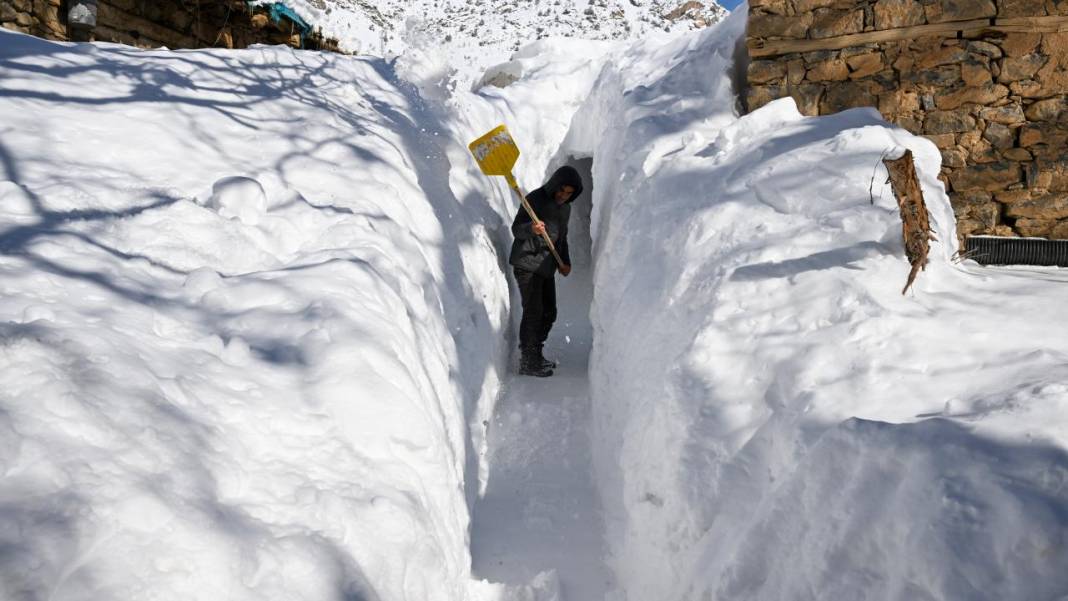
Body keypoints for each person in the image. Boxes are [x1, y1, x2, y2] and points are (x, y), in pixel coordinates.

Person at [509, 165, 583, 377]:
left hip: (546, 266)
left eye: (569, 193)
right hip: (526, 263)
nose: (563, 195)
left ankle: (536, 354)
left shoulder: (565, 208)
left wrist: (565, 262)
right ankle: (528, 361)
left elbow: (562, 238)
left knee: (549, 313)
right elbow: (517, 229)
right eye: (561, 190)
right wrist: (531, 229)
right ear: (554, 185)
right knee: (533, 311)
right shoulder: (535, 199)